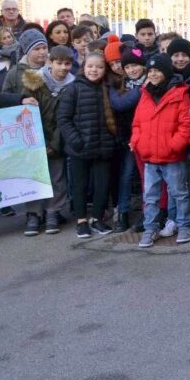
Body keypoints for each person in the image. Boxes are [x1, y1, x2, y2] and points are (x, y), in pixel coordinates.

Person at [132, 54, 190, 248]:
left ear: (166, 71)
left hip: (172, 156)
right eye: (150, 71)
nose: (153, 74)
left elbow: (187, 125)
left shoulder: (180, 93)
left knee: (179, 193)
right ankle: (150, 228)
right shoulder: (145, 93)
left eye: (157, 70)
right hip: (150, 156)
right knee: (150, 196)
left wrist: (173, 146)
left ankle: (184, 225)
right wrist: (138, 142)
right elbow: (137, 124)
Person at [56, 52, 116, 239]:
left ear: (104, 69)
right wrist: (75, 140)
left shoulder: (108, 88)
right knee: (79, 185)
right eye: (90, 66)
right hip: (79, 148)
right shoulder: (73, 89)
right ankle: (81, 220)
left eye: (99, 67)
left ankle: (97, 218)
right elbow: (63, 119)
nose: (94, 70)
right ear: (84, 67)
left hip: (103, 147)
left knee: (102, 185)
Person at [19, 46, 74, 236]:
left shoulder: (72, 86)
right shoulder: (35, 82)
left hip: (57, 141)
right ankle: (33, 213)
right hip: (33, 139)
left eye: (67, 64)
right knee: (34, 177)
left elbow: (66, 118)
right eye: (59, 63)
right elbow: (27, 112)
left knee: (56, 178)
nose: (63, 68)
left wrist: (54, 145)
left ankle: (53, 212)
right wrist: (36, 142)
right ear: (50, 63)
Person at [108, 44, 147, 233]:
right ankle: (122, 212)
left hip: (149, 137)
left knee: (148, 177)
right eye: (128, 67)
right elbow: (118, 104)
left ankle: (149, 212)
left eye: (136, 65)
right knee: (127, 175)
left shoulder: (154, 80)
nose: (132, 69)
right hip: (128, 138)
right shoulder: (118, 84)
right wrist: (140, 91)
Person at [3, 29, 49, 94]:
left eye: (44, 47)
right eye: (37, 49)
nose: (42, 52)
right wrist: (21, 100)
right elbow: (6, 96)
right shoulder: (15, 72)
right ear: (27, 51)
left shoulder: (54, 67)